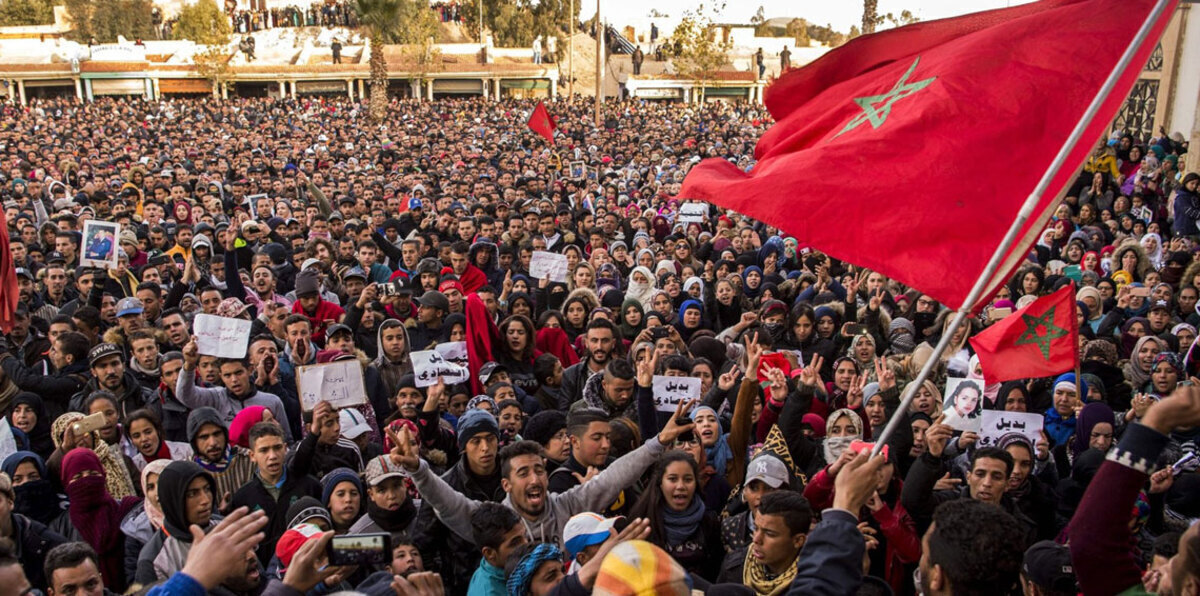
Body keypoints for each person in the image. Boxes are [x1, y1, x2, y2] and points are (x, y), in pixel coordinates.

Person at [717, 491, 812, 595]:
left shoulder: (813, 583)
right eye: (756, 528)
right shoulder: (734, 568)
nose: (756, 539)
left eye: (769, 534)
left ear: (798, 541)